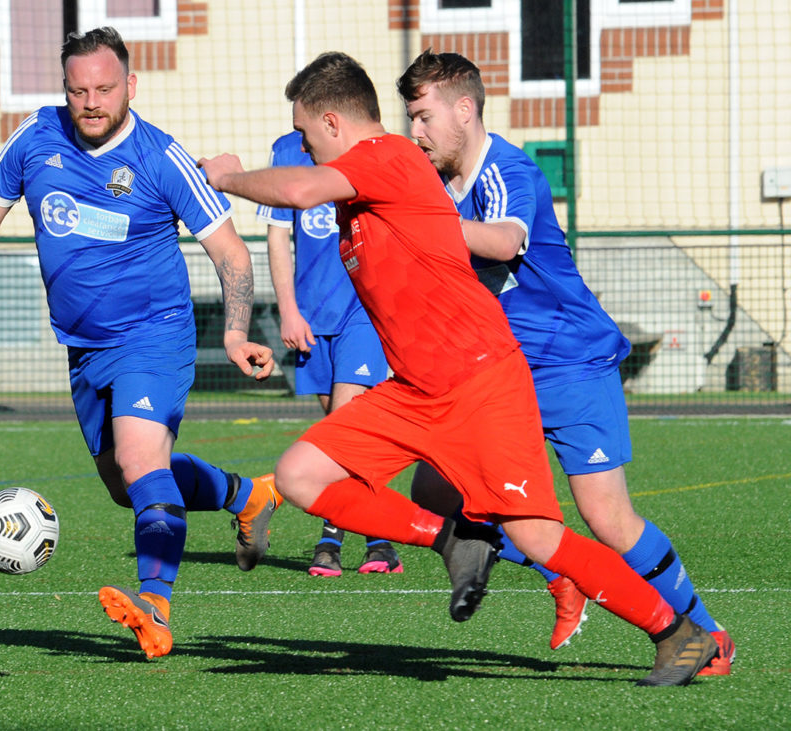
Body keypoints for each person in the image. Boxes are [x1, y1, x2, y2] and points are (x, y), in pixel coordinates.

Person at [200, 50, 718, 686]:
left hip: (480, 381)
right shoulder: (366, 195)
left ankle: (678, 633)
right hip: (416, 389)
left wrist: (226, 177)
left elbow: (303, 189)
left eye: (306, 137)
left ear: (333, 123)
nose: (305, 151)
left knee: (542, 537)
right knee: (301, 475)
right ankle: (452, 541)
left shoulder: (385, 158)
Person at [0, 26, 282, 660]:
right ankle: (245, 494)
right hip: (83, 348)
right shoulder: (36, 137)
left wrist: (233, 330)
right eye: (77, 89)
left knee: (142, 463)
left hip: (155, 333)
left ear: (131, 87)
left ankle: (155, 607)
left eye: (104, 89)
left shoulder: (159, 156)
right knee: (127, 484)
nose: (90, 102)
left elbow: (230, 251)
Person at [396, 49, 734, 675]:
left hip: (570, 362)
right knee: (434, 489)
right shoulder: (437, 185)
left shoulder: (506, 171)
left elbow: (501, 241)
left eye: (423, 117)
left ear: (464, 111)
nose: (415, 132)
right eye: (410, 119)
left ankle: (707, 633)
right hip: (499, 372)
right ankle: (560, 574)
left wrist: (416, 226)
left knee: (606, 516)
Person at [257, 131, 402, 576]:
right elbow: (278, 236)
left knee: (343, 426)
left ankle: (331, 534)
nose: (301, 130)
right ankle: (380, 535)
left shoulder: (373, 149)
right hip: (311, 314)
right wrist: (288, 311)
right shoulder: (284, 150)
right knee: (338, 429)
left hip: (363, 308)